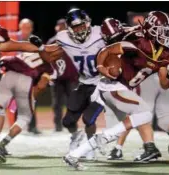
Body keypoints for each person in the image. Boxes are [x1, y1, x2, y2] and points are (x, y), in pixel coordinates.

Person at [63, 11, 169, 170]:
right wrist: (101, 67)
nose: (165, 34)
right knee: (145, 114)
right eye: (161, 30)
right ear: (151, 29)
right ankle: (93, 145)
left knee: (124, 125)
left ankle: (75, 154)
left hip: (123, 89)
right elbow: (107, 50)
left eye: (166, 31)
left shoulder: (165, 52)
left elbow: (164, 84)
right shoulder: (139, 41)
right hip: (112, 86)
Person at [56, 8, 105, 158]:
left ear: (88, 23)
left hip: (103, 83)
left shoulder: (100, 33)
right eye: (76, 27)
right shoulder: (62, 38)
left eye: (82, 25)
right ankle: (76, 137)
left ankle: (91, 146)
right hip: (84, 83)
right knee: (68, 121)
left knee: (88, 119)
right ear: (69, 29)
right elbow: (48, 51)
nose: (80, 29)